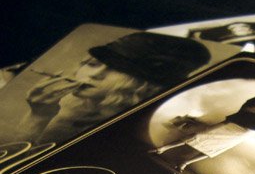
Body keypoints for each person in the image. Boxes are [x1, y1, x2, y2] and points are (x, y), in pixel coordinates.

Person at [17, 32, 211, 145]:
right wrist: (39, 116)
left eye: (115, 70)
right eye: (91, 64)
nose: (93, 75)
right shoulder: (73, 117)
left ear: (144, 84)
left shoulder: (145, 132)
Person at [152, 88, 255, 171]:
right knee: (199, 135)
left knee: (218, 147)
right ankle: (162, 148)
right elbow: (246, 107)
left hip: (248, 130)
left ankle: (184, 163)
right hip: (235, 121)